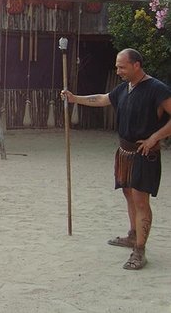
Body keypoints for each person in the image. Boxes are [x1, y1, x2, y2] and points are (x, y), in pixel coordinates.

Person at [62, 48, 171, 271]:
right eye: (117, 66)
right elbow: (104, 99)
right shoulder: (125, 88)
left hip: (144, 154)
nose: (118, 70)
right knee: (129, 195)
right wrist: (75, 99)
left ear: (136, 65)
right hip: (124, 152)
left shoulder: (157, 89)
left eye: (122, 66)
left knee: (141, 201)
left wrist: (155, 137)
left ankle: (139, 250)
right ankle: (133, 235)